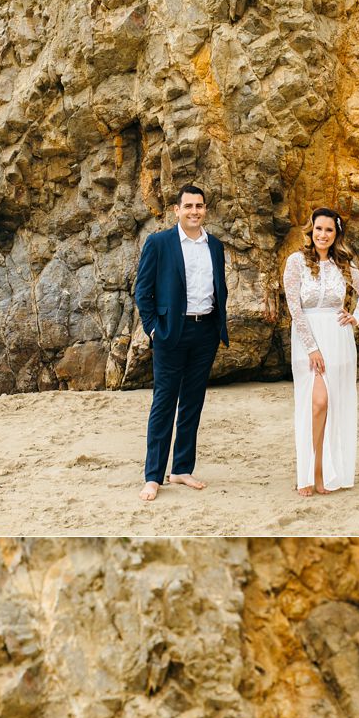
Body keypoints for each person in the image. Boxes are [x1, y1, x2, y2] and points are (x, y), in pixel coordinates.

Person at [135, 184, 229, 504]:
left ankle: (182, 469)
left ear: (205, 210)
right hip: (170, 333)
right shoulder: (159, 243)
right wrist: (152, 329)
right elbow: (142, 291)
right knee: (164, 403)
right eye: (188, 206)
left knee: (192, 402)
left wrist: (218, 326)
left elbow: (220, 288)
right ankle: (153, 476)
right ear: (176, 210)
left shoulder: (214, 246)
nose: (194, 211)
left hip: (205, 332)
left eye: (199, 206)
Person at [283, 210, 359, 496]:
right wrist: (312, 348)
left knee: (333, 406)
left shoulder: (343, 263)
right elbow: (295, 308)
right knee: (317, 403)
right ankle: (310, 472)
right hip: (308, 338)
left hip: (339, 337)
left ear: (336, 234)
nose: (323, 235)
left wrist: (356, 317)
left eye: (329, 231)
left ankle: (325, 472)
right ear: (310, 230)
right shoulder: (296, 261)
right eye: (318, 229)